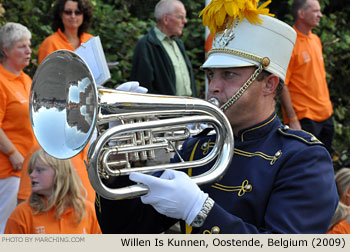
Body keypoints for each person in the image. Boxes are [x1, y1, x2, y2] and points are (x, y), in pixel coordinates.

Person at [95, 0, 338, 234]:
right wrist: (125, 159)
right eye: (211, 75)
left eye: (229, 74)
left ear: (269, 84)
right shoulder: (199, 147)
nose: (214, 87)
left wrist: (200, 211)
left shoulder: (304, 159)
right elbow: (126, 229)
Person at [280, 0, 334, 155]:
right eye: (316, 11)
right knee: (306, 166)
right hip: (304, 118)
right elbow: (282, 84)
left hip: (326, 114)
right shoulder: (289, 42)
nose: (320, 15)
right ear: (301, 14)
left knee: (325, 162)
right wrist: (292, 119)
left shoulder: (316, 39)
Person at [4, 149, 101, 234]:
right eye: (31, 170)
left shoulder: (88, 212)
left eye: (39, 170)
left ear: (60, 174)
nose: (32, 175)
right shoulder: (21, 214)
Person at [0, 22, 37, 234]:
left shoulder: (27, 79)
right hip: (9, 170)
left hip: (30, 168)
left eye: (29, 45)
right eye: (21, 46)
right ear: (6, 50)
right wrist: (13, 153)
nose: (28, 50)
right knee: (5, 227)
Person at [130, 0, 197, 97]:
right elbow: (142, 89)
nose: (185, 21)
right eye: (180, 17)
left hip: (189, 109)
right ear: (165, 19)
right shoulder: (146, 45)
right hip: (167, 110)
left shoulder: (178, 43)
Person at [37, 0, 93, 64]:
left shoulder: (90, 41)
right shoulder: (50, 43)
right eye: (68, 12)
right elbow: (45, 73)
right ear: (60, 14)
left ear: (84, 15)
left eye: (78, 12)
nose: (73, 16)